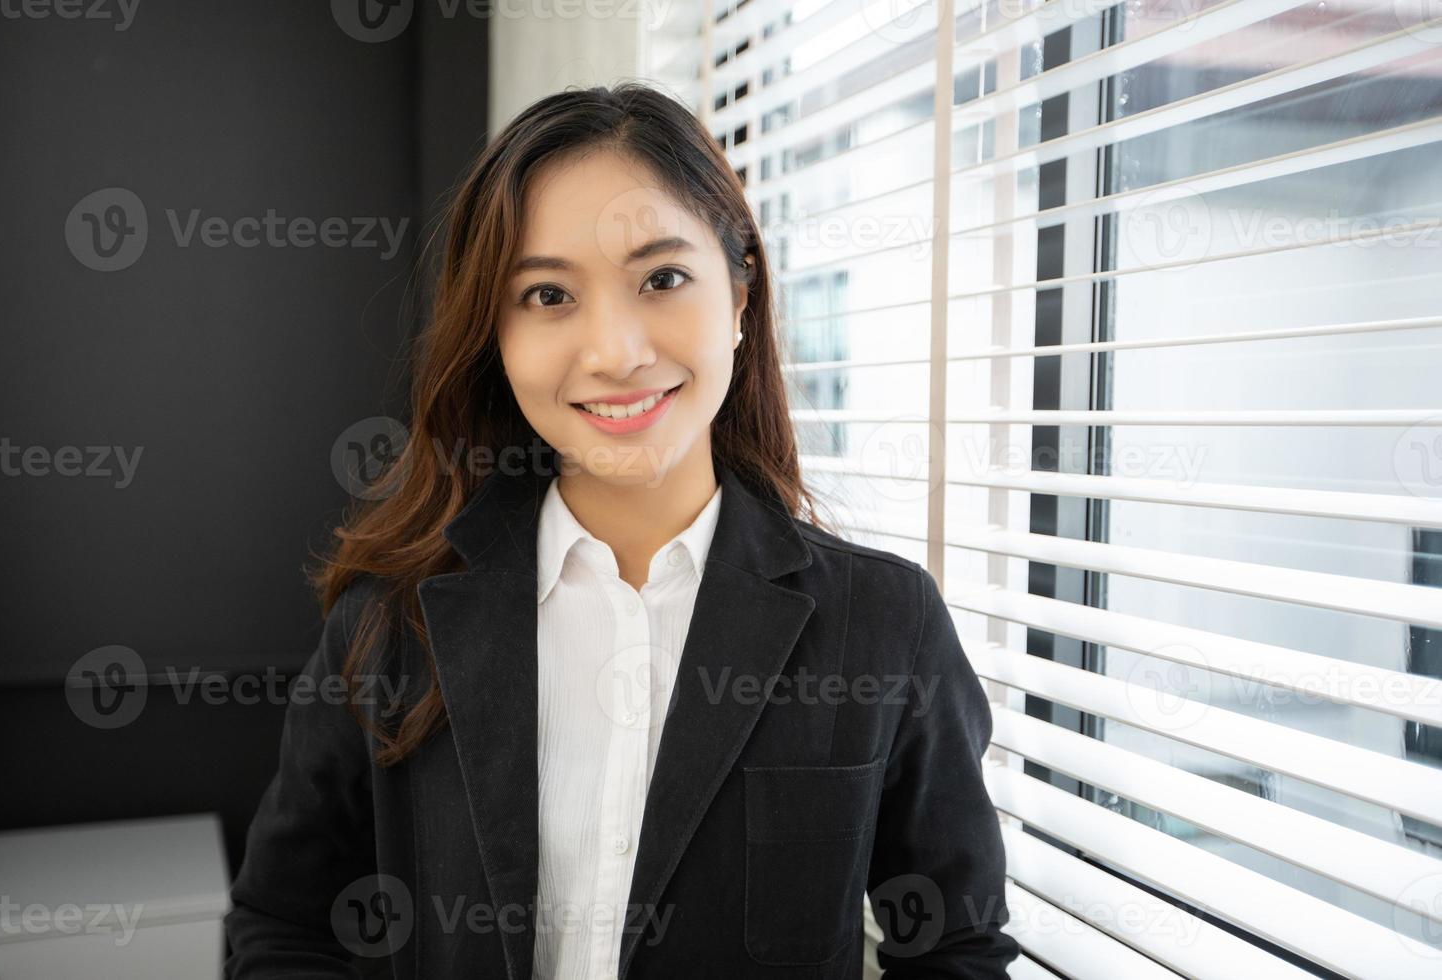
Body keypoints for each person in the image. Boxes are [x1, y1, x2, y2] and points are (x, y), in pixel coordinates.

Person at [224, 81, 1020, 980]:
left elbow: (956, 946)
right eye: (550, 295)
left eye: (663, 278)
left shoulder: (883, 622)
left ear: (742, 293)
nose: (615, 350)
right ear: (497, 333)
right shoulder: (390, 624)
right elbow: (285, 926)